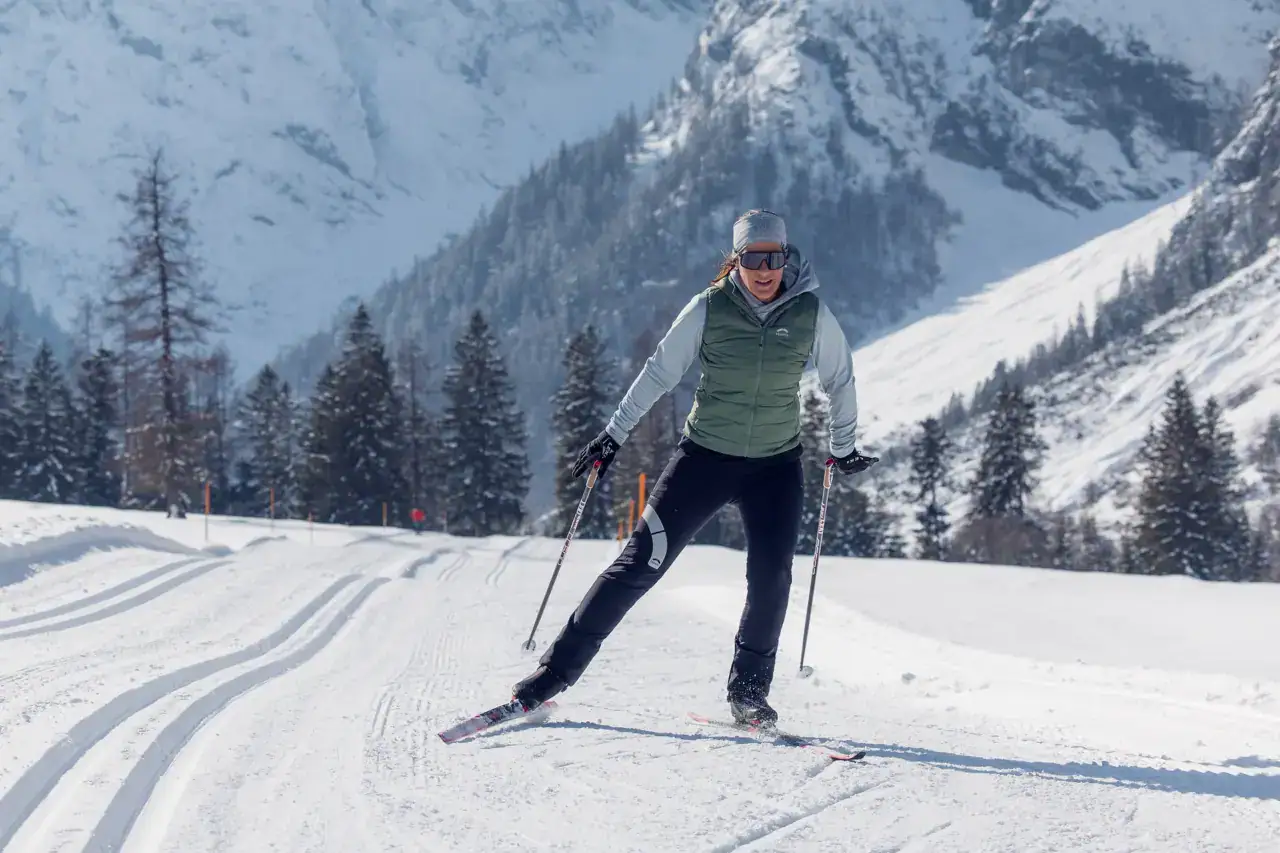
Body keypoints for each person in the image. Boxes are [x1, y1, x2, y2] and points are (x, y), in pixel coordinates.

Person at [512, 209, 876, 726]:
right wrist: (613, 436)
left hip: (775, 468)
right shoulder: (709, 307)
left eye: (774, 258)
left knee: (771, 578)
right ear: (737, 259)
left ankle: (748, 694)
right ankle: (552, 675)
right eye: (753, 258)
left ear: (786, 257)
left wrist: (843, 446)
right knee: (639, 563)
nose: (765, 270)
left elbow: (840, 379)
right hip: (704, 459)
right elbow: (659, 372)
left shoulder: (810, 312)